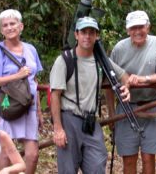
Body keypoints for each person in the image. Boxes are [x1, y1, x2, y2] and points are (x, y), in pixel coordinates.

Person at [49, 16, 130, 173]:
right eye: (83, 32)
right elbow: (55, 95)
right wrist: (58, 129)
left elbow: (123, 76)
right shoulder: (64, 60)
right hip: (69, 119)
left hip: (91, 121)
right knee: (68, 169)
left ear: (96, 36)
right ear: (76, 35)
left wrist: (126, 87)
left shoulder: (101, 60)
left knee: (97, 164)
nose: (87, 36)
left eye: (91, 32)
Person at [106, 10, 156, 174]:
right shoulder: (119, 48)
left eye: (141, 27)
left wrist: (143, 79)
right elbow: (108, 81)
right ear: (128, 30)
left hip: (153, 104)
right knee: (128, 158)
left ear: (148, 27)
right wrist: (112, 113)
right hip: (127, 107)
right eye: (133, 28)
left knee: (149, 157)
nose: (137, 31)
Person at [0, 9, 43, 174]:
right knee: (6, 151)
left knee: (32, 153)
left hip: (28, 104)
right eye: (5, 25)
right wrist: (15, 76)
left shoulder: (31, 49)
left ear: (21, 26)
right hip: (6, 102)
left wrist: (38, 109)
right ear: (1, 30)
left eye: (12, 23)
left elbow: (34, 81)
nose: (9, 27)